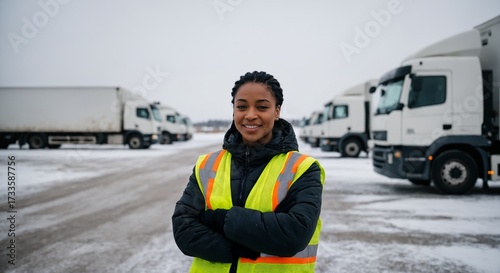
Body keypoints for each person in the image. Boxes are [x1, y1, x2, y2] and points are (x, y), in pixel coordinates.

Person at [172, 71, 325, 273]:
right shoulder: (206, 165)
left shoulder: (302, 168)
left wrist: (218, 219)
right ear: (234, 110)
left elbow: (293, 234)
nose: (250, 115)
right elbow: (184, 230)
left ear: (277, 111)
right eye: (242, 106)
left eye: (262, 107)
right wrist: (238, 248)